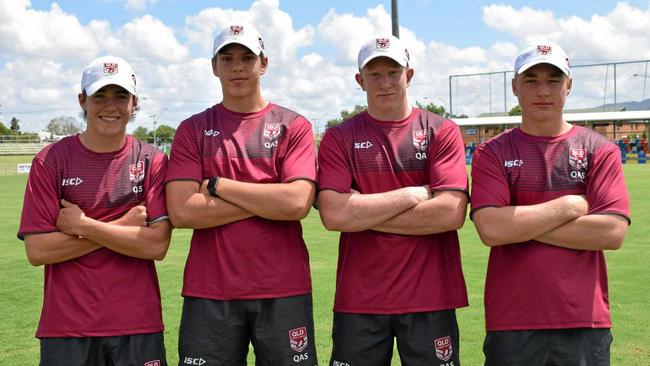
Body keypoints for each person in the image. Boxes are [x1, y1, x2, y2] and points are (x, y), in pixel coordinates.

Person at [165, 23, 318, 366]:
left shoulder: (293, 126)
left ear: (263, 64)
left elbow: (296, 203)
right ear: (213, 66)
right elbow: (183, 211)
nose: (237, 66)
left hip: (283, 289)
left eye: (247, 57)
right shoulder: (192, 129)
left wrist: (220, 187)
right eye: (228, 58)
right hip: (210, 291)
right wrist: (269, 197)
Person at [470, 42, 630, 365]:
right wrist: (571, 206)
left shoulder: (599, 150)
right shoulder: (492, 153)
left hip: (583, 320)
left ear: (568, 85)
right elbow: (490, 229)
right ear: (515, 86)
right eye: (531, 80)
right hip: (511, 320)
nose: (543, 90)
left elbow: (611, 232)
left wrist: (517, 224)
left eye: (553, 80)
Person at [317, 34, 469, 366]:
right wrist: (411, 195)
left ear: (409, 75)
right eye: (374, 74)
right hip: (360, 298)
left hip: (431, 296)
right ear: (360, 80)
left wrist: (361, 209)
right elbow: (333, 215)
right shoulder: (339, 137)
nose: (385, 82)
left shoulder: (440, 131)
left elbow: (449, 214)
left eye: (393, 72)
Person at [18, 55, 171, 365]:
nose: (110, 106)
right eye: (100, 95)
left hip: (137, 324)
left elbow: (156, 245)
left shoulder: (152, 160)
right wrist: (124, 224)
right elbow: (38, 250)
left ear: (134, 102)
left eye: (120, 96)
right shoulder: (51, 161)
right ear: (82, 100)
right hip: (67, 328)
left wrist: (84, 225)